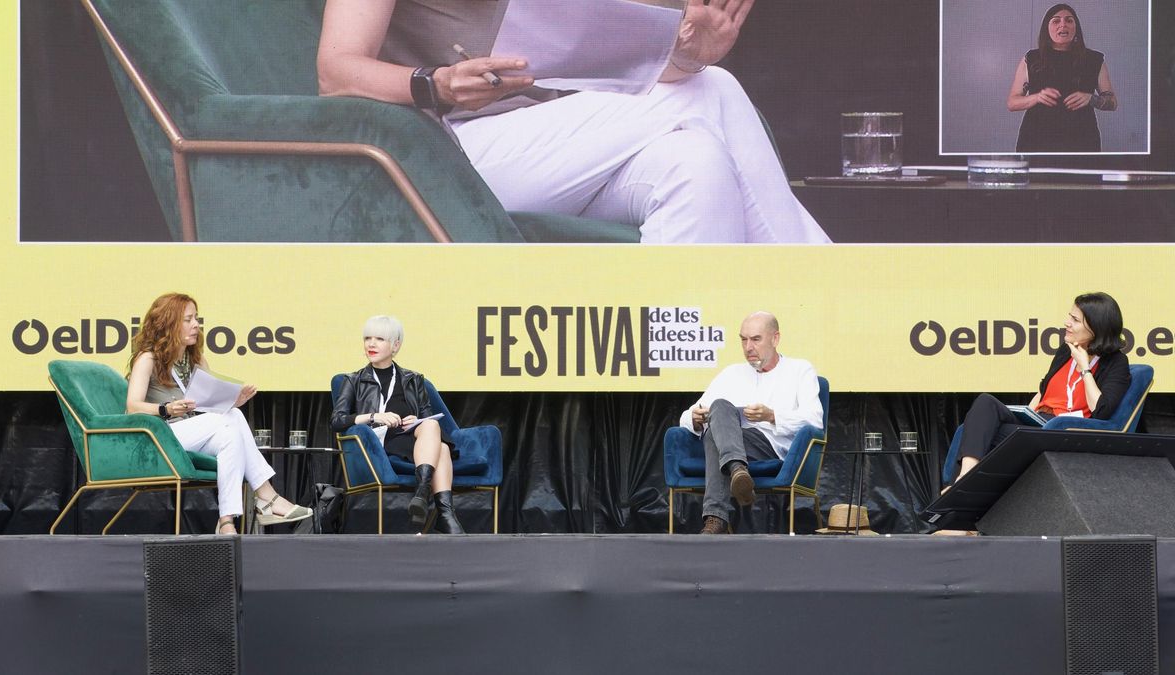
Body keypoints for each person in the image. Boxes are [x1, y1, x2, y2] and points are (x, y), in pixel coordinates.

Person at [316, 0, 829, 244]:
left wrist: (692, 56)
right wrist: (439, 83)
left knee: (696, 164)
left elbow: (610, 67)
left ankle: (687, 394)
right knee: (713, 90)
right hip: (452, 151)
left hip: (568, 145)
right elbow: (335, 71)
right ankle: (822, 300)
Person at [125, 293, 312, 535]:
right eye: (188, 319)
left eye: (196, 319)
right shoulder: (148, 358)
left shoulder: (195, 358)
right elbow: (133, 406)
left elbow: (209, 404)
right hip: (160, 436)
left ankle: (226, 521)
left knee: (232, 425)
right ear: (169, 323)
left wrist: (232, 401)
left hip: (192, 432)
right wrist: (166, 409)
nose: (196, 325)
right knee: (229, 420)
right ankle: (267, 497)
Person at [947, 292, 1131, 486]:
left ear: (1096, 327)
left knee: (985, 434)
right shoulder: (1065, 350)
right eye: (1069, 316)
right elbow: (1044, 391)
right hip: (1039, 421)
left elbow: (1101, 411)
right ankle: (964, 477)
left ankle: (961, 488)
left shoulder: (1116, 362)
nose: (1066, 322)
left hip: (1062, 429)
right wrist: (1028, 412)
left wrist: (1084, 367)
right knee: (985, 403)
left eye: (1075, 319)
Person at [679, 311, 824, 534]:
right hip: (737, 444)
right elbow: (686, 416)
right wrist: (695, 419)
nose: (748, 347)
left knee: (715, 435)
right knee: (718, 409)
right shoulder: (731, 373)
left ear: (775, 339)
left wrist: (771, 416)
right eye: (743, 339)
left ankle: (715, 519)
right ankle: (738, 469)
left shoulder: (800, 370)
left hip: (773, 446)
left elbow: (815, 419)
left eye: (756, 339)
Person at [329, 315, 464, 533]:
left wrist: (416, 420)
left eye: (380, 339)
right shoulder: (352, 380)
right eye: (367, 338)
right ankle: (442, 512)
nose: (371, 344)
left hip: (414, 441)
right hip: (378, 444)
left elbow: (428, 416)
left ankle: (424, 496)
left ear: (396, 345)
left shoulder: (414, 379)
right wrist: (373, 416)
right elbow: (337, 421)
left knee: (432, 429)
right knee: (442, 448)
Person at [1008, 3, 1117, 152]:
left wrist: (1092, 99)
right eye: (1056, 20)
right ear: (1047, 27)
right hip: (1036, 139)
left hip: (1082, 140)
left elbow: (1112, 103)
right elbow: (1012, 103)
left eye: (1069, 20)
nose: (1063, 25)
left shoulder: (1094, 59)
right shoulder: (1032, 59)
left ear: (1076, 27)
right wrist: (1037, 97)